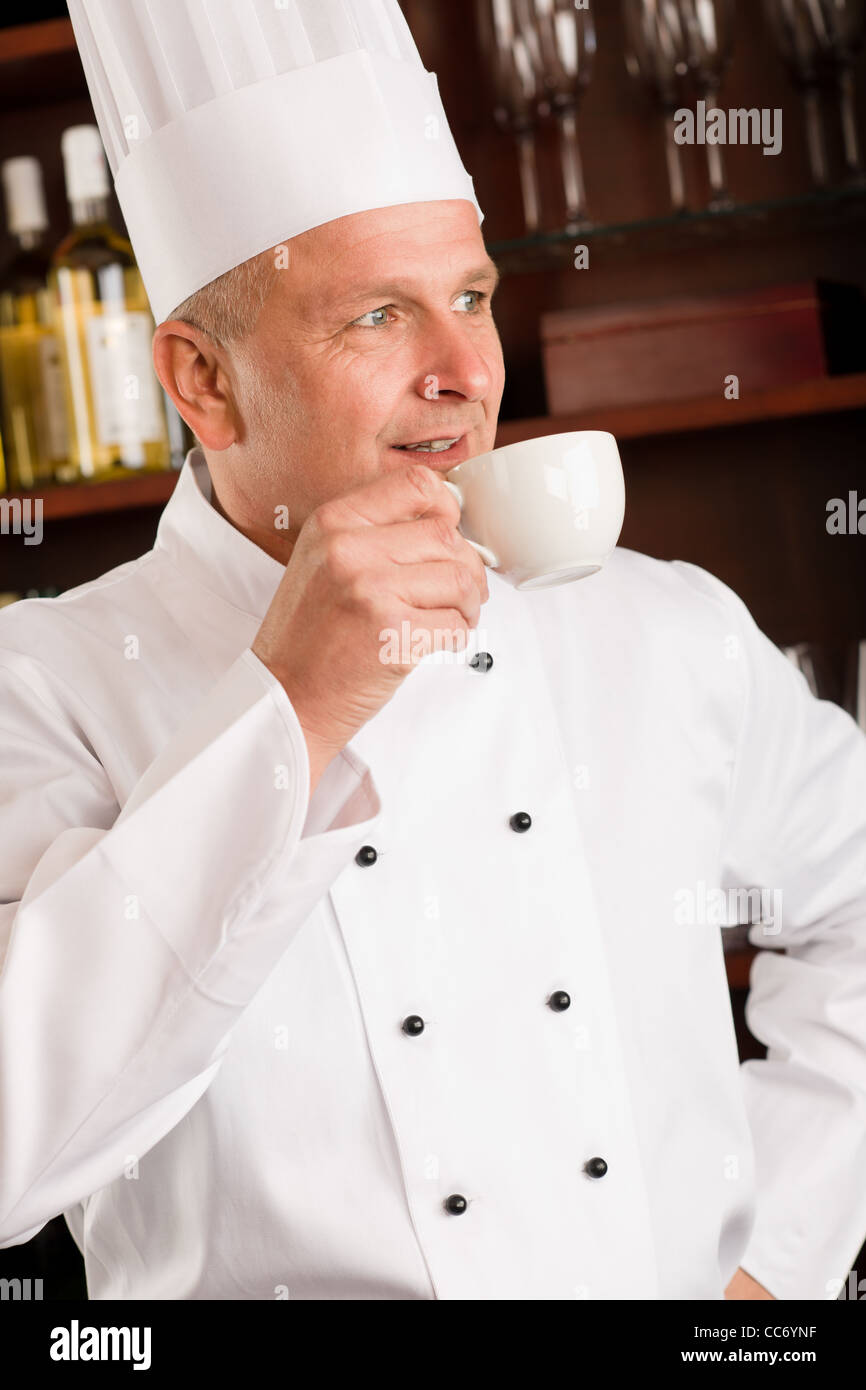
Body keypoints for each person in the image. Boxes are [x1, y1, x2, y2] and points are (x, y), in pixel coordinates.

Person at [1, 0, 865, 1301]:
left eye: (470, 297)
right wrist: (288, 707)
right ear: (202, 380)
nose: (467, 366)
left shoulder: (657, 626)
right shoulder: (49, 681)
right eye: (376, 317)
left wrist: (772, 1264)